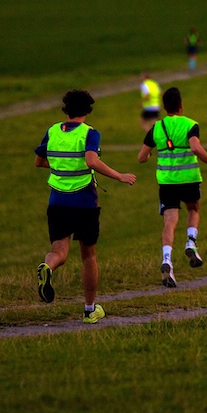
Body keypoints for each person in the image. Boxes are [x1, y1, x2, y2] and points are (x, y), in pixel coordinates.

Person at [34, 89, 136, 324]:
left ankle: (47, 266)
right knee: (88, 256)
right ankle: (90, 310)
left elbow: (39, 161)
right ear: (88, 110)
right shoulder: (90, 133)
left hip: (57, 201)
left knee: (59, 251)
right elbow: (92, 160)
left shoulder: (52, 131)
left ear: (65, 110)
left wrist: (62, 163)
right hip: (84, 202)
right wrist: (119, 176)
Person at [137, 87, 207, 288]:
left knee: (169, 221)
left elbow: (141, 158)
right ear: (181, 105)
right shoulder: (190, 125)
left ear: (164, 106)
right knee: (193, 209)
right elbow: (195, 147)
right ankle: (191, 242)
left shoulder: (156, 128)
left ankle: (167, 259)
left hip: (167, 182)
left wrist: (152, 154)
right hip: (189, 179)